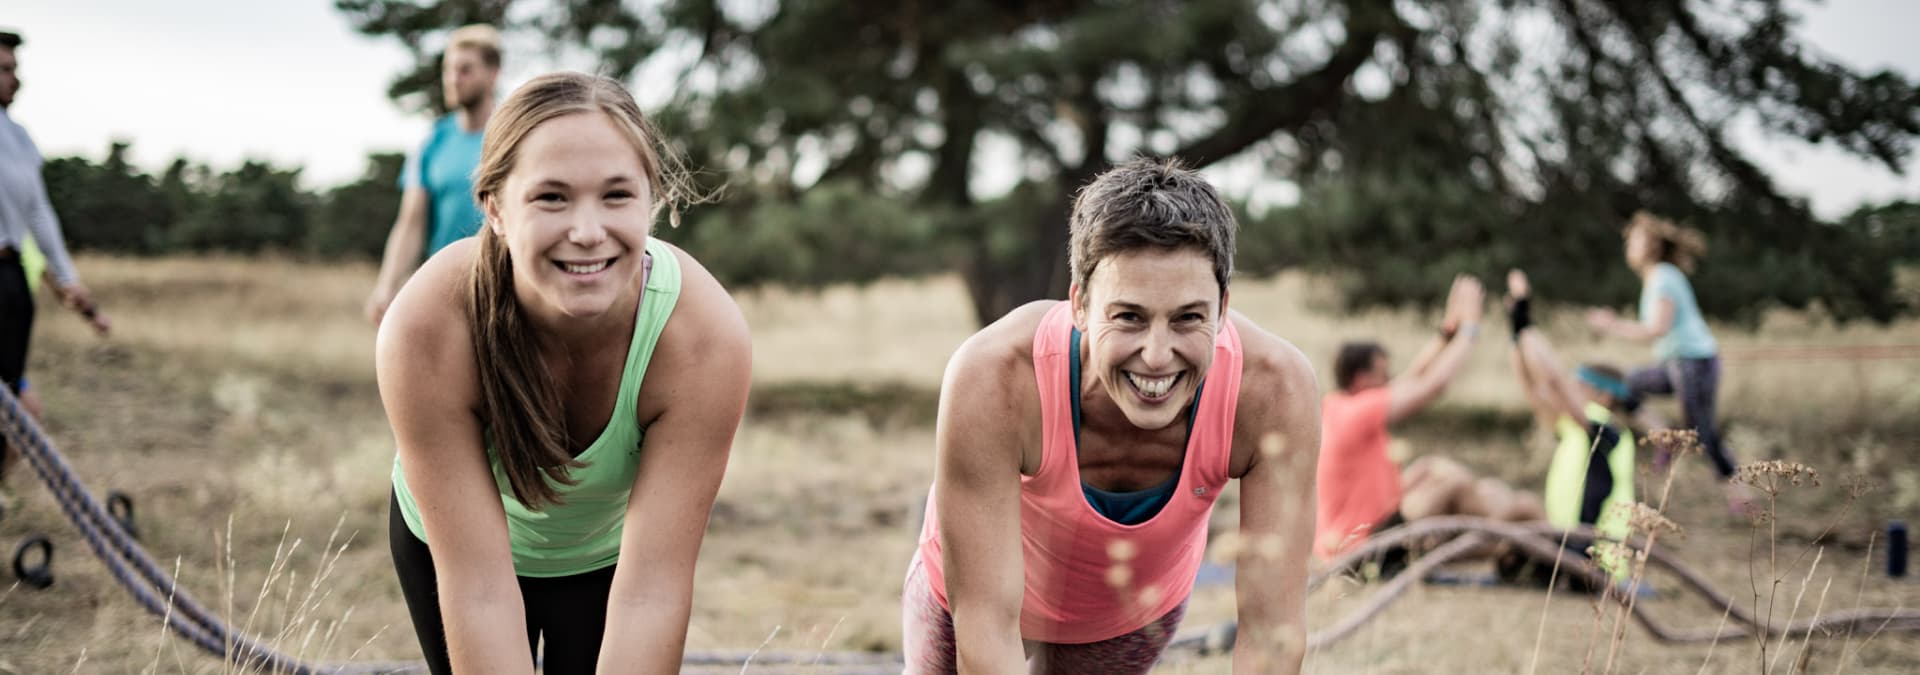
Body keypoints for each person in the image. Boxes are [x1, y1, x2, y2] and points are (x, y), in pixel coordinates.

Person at [381, 72, 747, 674]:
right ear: (495, 209)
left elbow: (653, 590)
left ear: (651, 200)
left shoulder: (702, 338)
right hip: (457, 554)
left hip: (608, 559)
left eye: (617, 196)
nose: (586, 232)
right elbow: (479, 589)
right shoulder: (427, 327)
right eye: (552, 197)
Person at [903, 158, 1322, 674]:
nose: (1157, 355)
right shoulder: (995, 376)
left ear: (1223, 308)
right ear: (1079, 305)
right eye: (1129, 316)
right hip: (973, 600)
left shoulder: (1274, 390)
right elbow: (986, 627)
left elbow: (1271, 635)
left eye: (1189, 317)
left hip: (1127, 614)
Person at [1316, 275, 1545, 561]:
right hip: (1366, 548)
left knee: (1432, 468)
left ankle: (1500, 528)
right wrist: (1471, 329)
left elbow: (1414, 376)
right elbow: (1431, 385)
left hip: (1363, 532)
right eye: (1384, 374)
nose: (1391, 380)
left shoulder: (1338, 405)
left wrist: (1447, 331)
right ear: (1362, 379)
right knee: (1481, 492)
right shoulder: (1358, 412)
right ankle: (1503, 532)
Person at [1, 29, 111, 483]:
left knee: (12, 407)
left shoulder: (21, 140)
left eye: (15, 70)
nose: (15, 79)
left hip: (8, 280)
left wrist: (67, 278)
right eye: (4, 70)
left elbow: (40, 217)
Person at [1583, 212, 1741, 503]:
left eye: (1636, 240)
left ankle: (1741, 495)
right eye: (1629, 241)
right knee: (1624, 385)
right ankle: (1664, 436)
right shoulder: (1657, 277)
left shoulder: (1663, 277)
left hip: (1695, 364)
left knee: (1703, 435)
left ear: (1652, 247)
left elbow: (1656, 329)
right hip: (1676, 365)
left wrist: (1611, 325)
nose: (1629, 246)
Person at [365, 24, 502, 325]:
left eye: (465, 69)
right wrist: (387, 285)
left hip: (505, 289)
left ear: (493, 73)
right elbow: (411, 221)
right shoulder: (432, 143)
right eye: (448, 70)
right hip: (444, 289)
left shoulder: (512, 136)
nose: (454, 79)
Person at [1508, 269, 1636, 576]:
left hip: (1597, 562)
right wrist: (1515, 329)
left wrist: (1525, 315)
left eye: (1580, 388)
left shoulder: (1607, 430)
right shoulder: (1579, 428)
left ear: (1604, 396)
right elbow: (1534, 388)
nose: (1572, 393)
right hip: (1570, 549)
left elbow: (1553, 380)